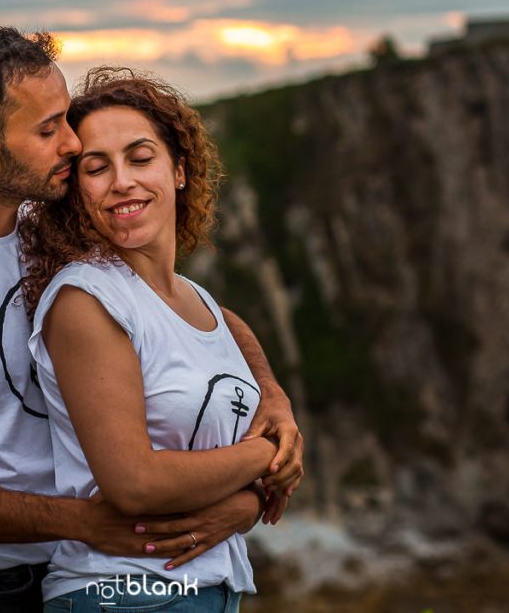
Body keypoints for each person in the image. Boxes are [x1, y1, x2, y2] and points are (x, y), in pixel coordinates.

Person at [0, 24, 303, 612]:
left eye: (65, 118)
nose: (70, 143)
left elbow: (185, 309)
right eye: (47, 129)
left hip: (87, 570)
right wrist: (81, 522)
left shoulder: (50, 227)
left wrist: (272, 398)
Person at [19, 67, 303, 612]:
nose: (122, 180)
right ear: (78, 193)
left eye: (140, 157)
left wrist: (275, 398)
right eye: (96, 169)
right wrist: (266, 456)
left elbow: (225, 326)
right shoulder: (86, 298)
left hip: (206, 593)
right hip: (121, 594)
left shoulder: (190, 297)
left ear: (178, 168)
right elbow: (135, 483)